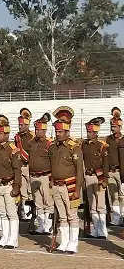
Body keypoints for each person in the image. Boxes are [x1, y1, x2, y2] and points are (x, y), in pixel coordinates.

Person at [49, 106, 84, 254]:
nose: (57, 134)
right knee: (62, 216)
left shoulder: (73, 147)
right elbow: (52, 166)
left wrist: (77, 190)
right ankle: (63, 242)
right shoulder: (53, 147)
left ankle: (73, 243)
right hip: (56, 186)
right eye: (56, 131)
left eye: (60, 132)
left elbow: (79, 171)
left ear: (67, 132)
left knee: (72, 216)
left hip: (69, 185)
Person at [0, 115, 23, 249]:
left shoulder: (13, 150)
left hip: (9, 185)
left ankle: (13, 239)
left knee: (11, 213)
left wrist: (16, 187)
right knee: (2, 213)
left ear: (7, 134)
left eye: (0, 133)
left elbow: (17, 170)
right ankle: (4, 237)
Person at [27, 113, 54, 235]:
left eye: (39, 130)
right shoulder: (31, 143)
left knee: (48, 202)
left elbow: (54, 161)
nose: (37, 132)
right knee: (38, 202)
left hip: (45, 176)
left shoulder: (49, 143)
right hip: (33, 176)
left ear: (44, 130)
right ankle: (41, 225)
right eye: (36, 129)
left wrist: (52, 178)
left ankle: (48, 225)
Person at [82, 116, 108, 239]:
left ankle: (102, 231)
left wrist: (105, 179)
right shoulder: (84, 145)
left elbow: (105, 164)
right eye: (88, 131)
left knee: (101, 205)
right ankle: (95, 230)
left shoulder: (102, 146)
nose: (89, 134)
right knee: (92, 204)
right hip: (88, 176)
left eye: (91, 132)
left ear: (96, 133)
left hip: (99, 177)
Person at [15, 108, 35, 220]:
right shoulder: (17, 137)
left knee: (30, 190)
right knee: (22, 191)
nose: (20, 126)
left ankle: (32, 211)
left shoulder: (32, 137)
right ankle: (25, 212)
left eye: (22, 125)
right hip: (20, 166)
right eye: (19, 125)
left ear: (27, 125)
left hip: (29, 166)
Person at [105, 107, 124, 226]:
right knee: (113, 195)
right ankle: (116, 218)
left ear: (120, 127)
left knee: (123, 196)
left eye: (115, 127)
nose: (113, 129)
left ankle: (123, 216)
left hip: (121, 171)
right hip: (111, 171)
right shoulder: (108, 139)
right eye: (112, 127)